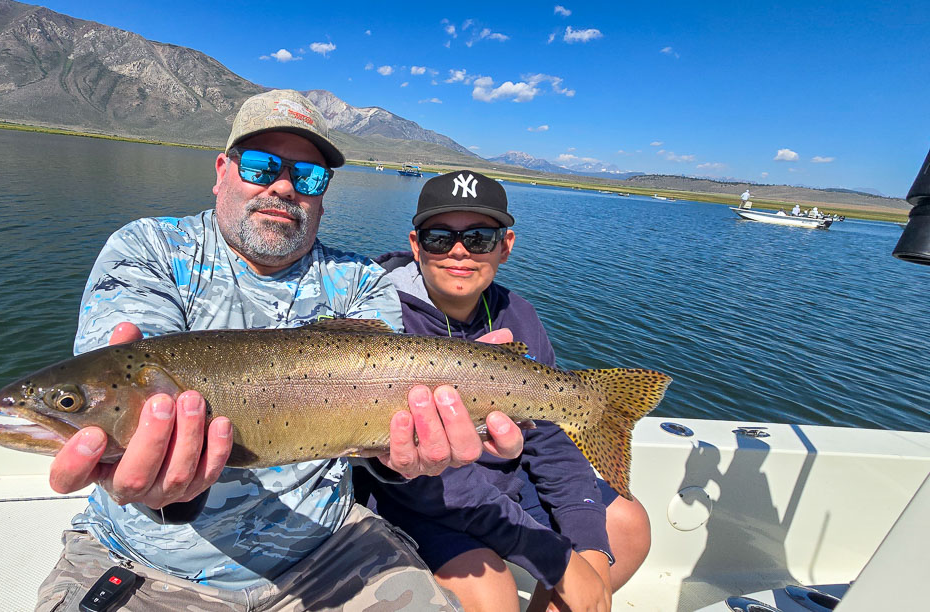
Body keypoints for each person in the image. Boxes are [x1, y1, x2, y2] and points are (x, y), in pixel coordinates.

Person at [37, 90, 526, 611]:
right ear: (222, 169)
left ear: (322, 194)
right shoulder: (149, 249)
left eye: (309, 177)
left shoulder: (361, 282)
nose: (284, 186)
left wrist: (402, 458)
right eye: (262, 165)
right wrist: (153, 479)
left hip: (334, 552)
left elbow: (376, 442)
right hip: (145, 563)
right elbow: (120, 380)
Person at [356, 170, 651, 612]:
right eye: (440, 237)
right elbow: (425, 475)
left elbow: (549, 438)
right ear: (416, 245)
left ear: (505, 246)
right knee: (490, 590)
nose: (459, 251)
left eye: (479, 237)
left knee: (626, 527)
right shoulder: (379, 312)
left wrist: (585, 543)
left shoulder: (519, 314)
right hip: (418, 494)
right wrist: (555, 558)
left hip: (504, 484)